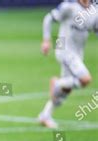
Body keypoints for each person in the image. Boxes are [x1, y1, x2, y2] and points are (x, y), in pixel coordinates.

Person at [39, 0, 97, 128]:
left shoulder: (94, 9)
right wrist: (46, 40)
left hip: (78, 54)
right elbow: (48, 18)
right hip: (64, 49)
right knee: (85, 79)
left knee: (65, 90)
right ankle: (57, 83)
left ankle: (45, 115)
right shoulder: (69, 6)